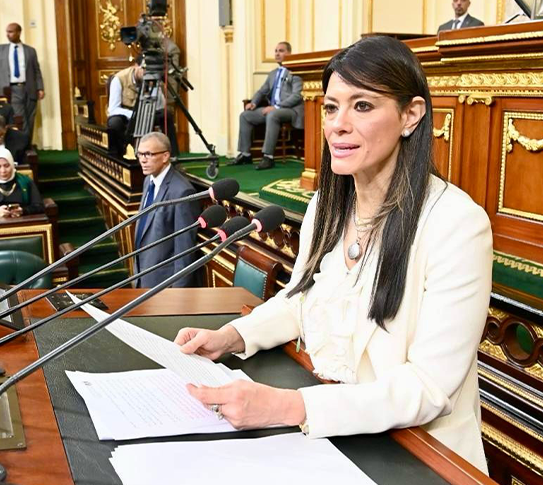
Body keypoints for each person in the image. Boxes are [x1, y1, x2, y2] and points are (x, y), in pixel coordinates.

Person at [173, 36, 492, 473]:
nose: (338, 125)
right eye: (330, 107)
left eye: (362, 106)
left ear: (411, 115)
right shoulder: (327, 204)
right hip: (333, 432)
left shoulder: (456, 223)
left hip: (417, 454)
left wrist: (290, 406)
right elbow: (301, 299)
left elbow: (429, 388)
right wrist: (232, 336)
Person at [133, 132, 200, 288]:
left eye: (148, 154)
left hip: (164, 286)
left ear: (165, 156)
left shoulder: (182, 192)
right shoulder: (148, 180)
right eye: (140, 154)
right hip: (142, 279)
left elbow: (184, 251)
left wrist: (177, 294)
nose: (142, 160)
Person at [228, 41, 304, 171]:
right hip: (273, 109)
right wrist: (253, 102)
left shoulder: (295, 72)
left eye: (281, 51)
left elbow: (297, 96)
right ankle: (245, 154)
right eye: (276, 51)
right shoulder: (273, 73)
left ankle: (268, 157)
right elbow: (262, 91)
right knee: (245, 115)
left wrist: (277, 107)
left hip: (290, 110)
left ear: (289, 53)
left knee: (272, 114)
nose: (277, 54)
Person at [106, 55, 179, 159]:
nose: (147, 73)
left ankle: (172, 156)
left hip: (147, 112)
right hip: (126, 114)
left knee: (166, 114)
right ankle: (117, 157)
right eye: (144, 69)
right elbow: (113, 109)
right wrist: (135, 115)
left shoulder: (152, 78)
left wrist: (156, 87)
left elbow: (160, 106)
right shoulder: (119, 79)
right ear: (136, 66)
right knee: (114, 123)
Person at [0, 148, 44, 219]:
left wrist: (23, 211)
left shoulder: (25, 181)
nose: (3, 171)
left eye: (6, 166)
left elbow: (39, 206)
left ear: (12, 165)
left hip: (20, 221)